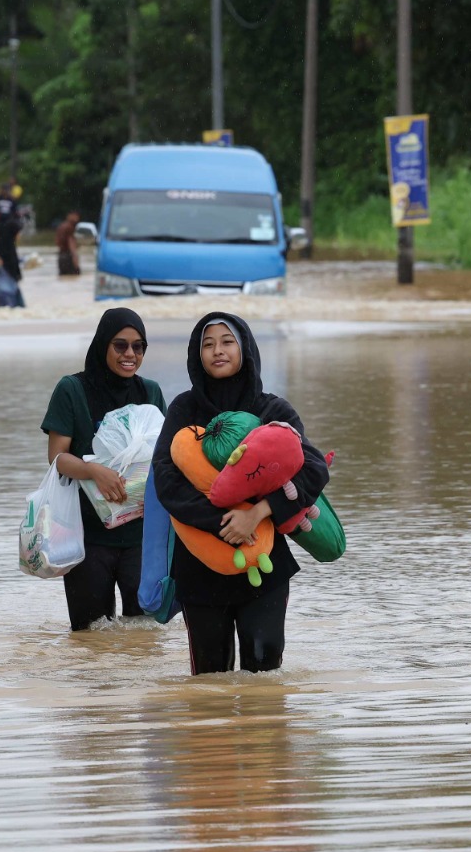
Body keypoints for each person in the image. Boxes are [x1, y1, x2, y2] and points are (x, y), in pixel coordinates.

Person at [150, 312, 329, 674]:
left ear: (245, 348)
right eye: (208, 343)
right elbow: (166, 479)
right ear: (195, 354)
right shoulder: (185, 409)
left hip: (266, 569)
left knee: (264, 676)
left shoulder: (272, 410)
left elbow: (313, 469)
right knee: (209, 681)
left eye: (227, 341)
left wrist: (259, 512)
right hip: (199, 569)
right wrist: (222, 522)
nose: (218, 350)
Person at [42, 308, 167, 630]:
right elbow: (57, 458)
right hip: (86, 537)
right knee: (90, 637)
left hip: (142, 537)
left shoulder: (150, 392)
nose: (130, 354)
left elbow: (165, 457)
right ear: (102, 345)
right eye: (120, 345)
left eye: (138, 347)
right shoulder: (72, 389)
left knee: (145, 636)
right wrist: (95, 470)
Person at [55, 211, 82, 276]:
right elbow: (72, 246)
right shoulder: (69, 228)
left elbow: (57, 242)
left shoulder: (61, 226)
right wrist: (76, 263)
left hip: (61, 257)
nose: (77, 218)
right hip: (68, 257)